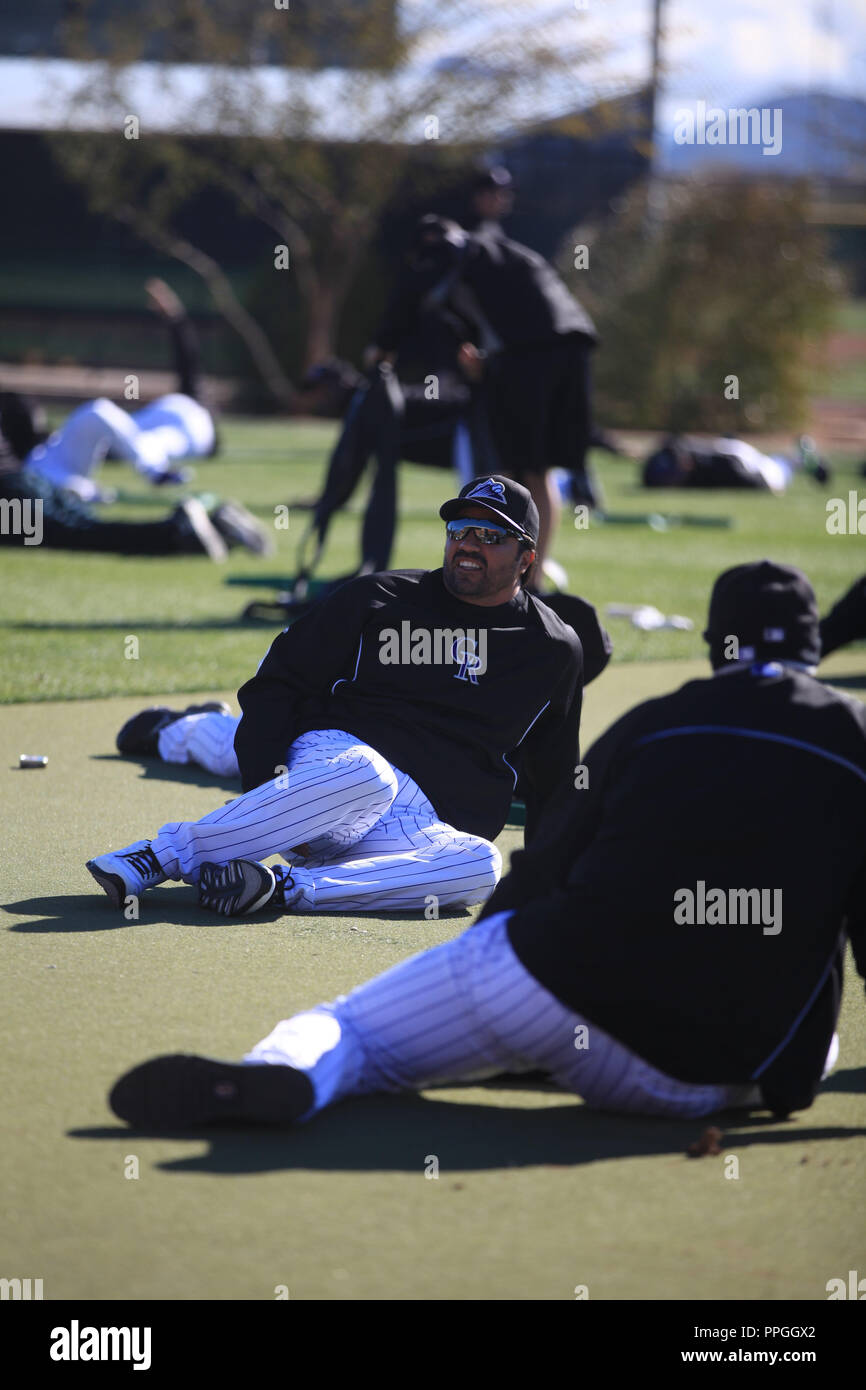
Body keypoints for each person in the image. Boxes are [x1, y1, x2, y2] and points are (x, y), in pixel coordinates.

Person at [106, 560, 866, 1133]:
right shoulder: (855, 739)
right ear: (813, 646)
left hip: (544, 982)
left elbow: (545, 862)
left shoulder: (652, 724)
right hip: (730, 1078)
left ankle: (284, 1078)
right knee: (817, 1045)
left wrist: (475, 965)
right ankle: (535, 1055)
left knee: (352, 1031)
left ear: (713, 644)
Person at [86, 474, 584, 919]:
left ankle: (281, 890)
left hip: (417, 823)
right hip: (339, 766)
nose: (469, 545)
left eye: (490, 536)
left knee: (480, 864)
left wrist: (550, 879)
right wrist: (264, 789)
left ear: (527, 558)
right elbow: (275, 685)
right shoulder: (380, 597)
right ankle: (161, 848)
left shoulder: (553, 649)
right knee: (356, 772)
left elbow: (553, 775)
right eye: (459, 531)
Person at [368, 215, 600, 581]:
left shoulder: (449, 254)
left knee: (506, 471)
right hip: (574, 348)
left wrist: (382, 347)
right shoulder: (499, 251)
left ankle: (505, 578)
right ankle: (531, 579)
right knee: (538, 471)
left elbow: (411, 299)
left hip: (527, 359)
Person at [14, 279, 219, 504]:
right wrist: (176, 319)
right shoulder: (181, 403)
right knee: (106, 417)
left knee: (139, 436)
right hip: (144, 437)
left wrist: (177, 319)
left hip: (188, 435)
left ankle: (95, 484)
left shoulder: (195, 414)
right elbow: (188, 363)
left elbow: (189, 363)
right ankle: (83, 485)